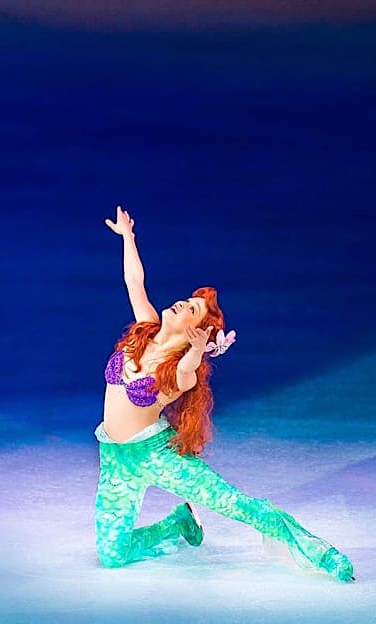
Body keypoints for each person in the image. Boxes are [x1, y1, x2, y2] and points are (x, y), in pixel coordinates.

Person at [95, 206, 355, 582]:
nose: (183, 303)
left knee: (235, 504)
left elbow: (187, 371)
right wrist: (128, 238)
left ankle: (320, 553)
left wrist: (197, 351)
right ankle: (177, 524)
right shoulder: (144, 330)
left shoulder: (177, 373)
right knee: (112, 556)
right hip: (115, 459)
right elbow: (135, 283)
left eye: (193, 310)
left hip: (156, 456)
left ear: (194, 333)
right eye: (188, 300)